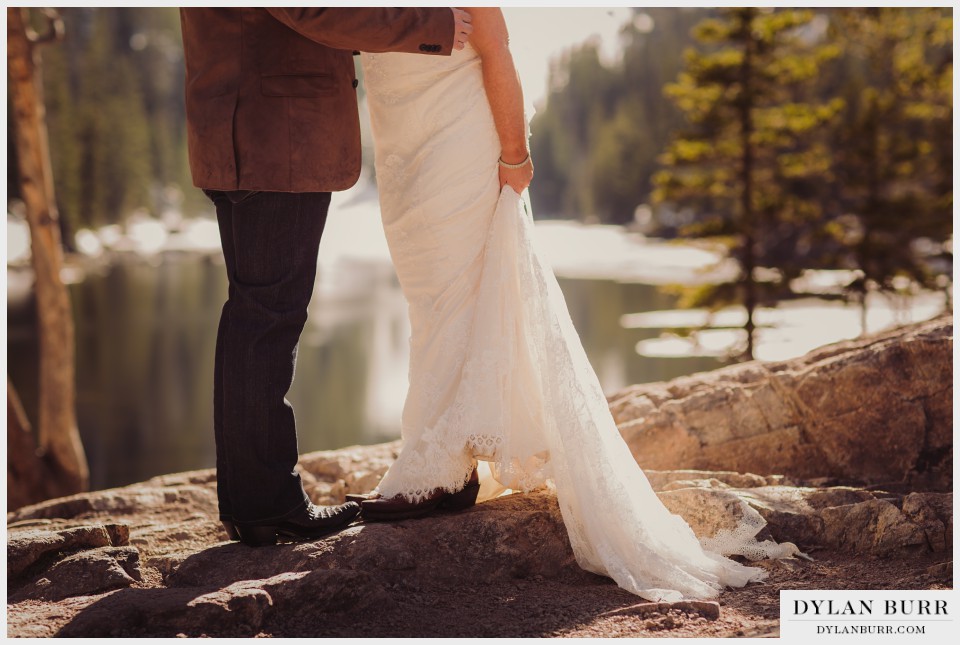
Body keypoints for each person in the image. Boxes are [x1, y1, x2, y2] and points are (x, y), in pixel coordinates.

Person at [354, 8, 780, 601]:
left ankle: (438, 469)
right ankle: (443, 455)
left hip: (456, 144)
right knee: (430, 299)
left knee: (453, 297)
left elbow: (495, 47)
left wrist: (512, 153)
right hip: (403, 153)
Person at [179, 7, 474, 548]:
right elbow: (315, 9)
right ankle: (265, 504)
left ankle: (254, 502)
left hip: (248, 131)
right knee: (266, 316)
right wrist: (429, 25)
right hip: (272, 138)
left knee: (256, 313)